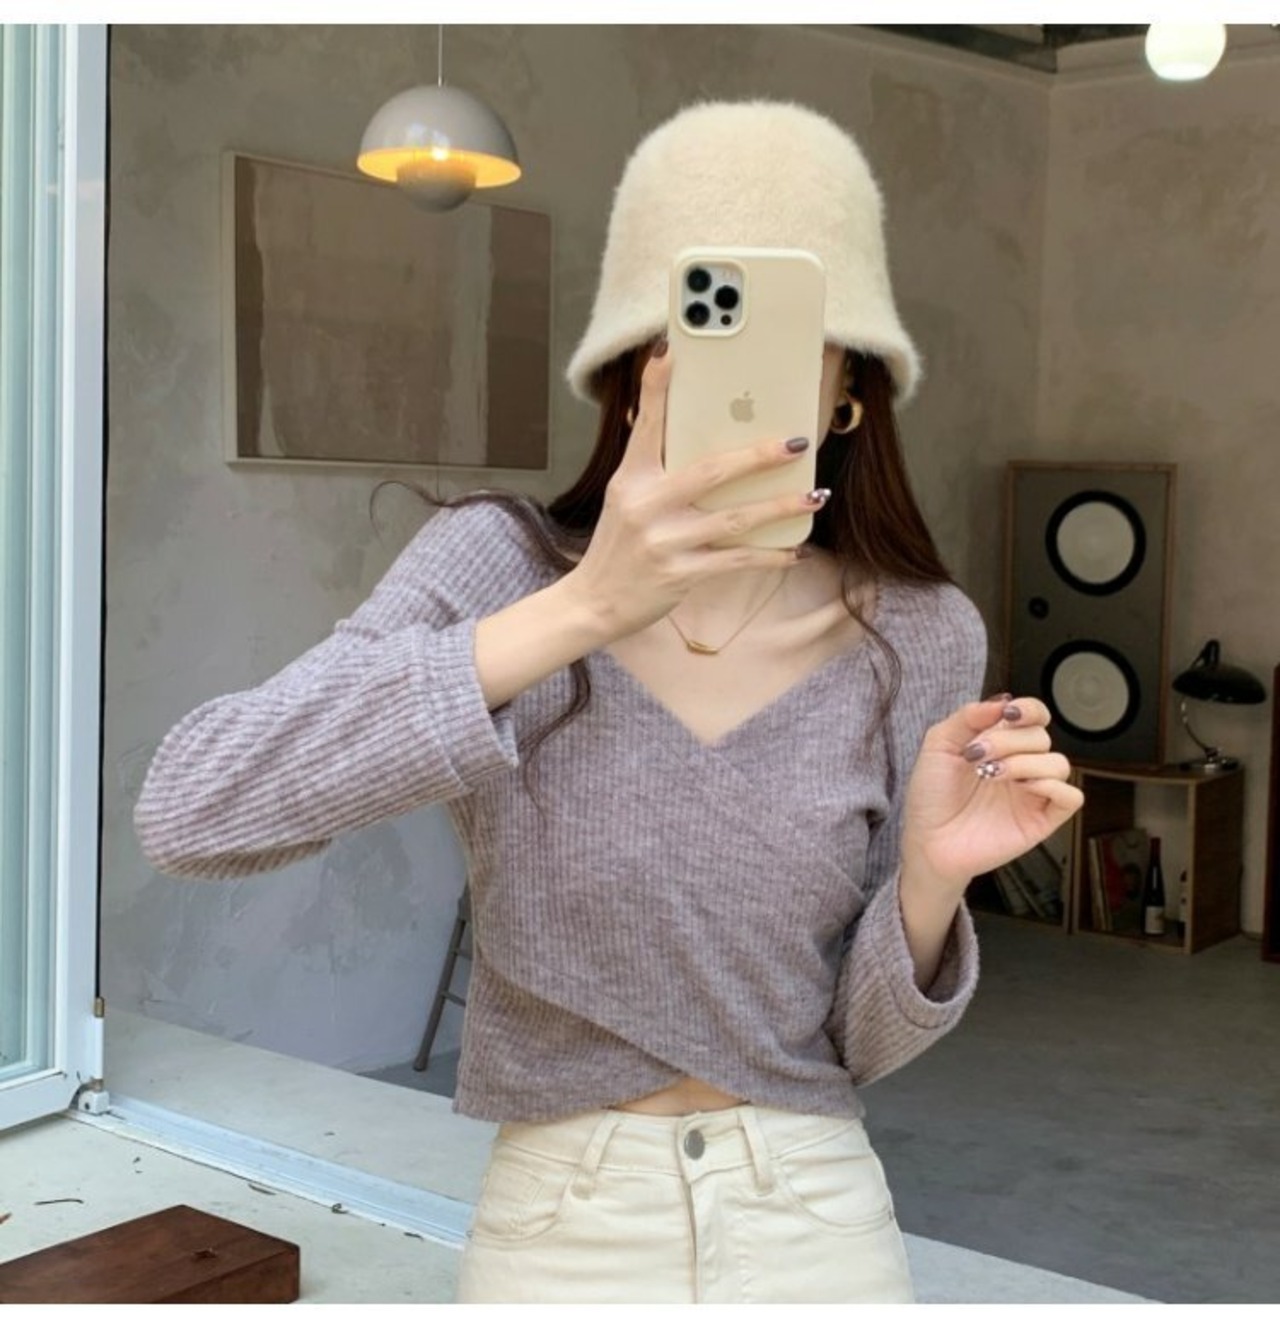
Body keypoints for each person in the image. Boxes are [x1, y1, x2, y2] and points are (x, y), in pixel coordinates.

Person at [133, 99, 1083, 1303]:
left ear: (848, 386)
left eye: (793, 334)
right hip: (559, 1221)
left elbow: (860, 1045)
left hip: (814, 1216)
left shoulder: (918, 631)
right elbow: (195, 809)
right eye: (696, 321)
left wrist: (929, 886)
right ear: (633, 367)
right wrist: (584, 606)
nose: (739, 374)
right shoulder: (501, 566)